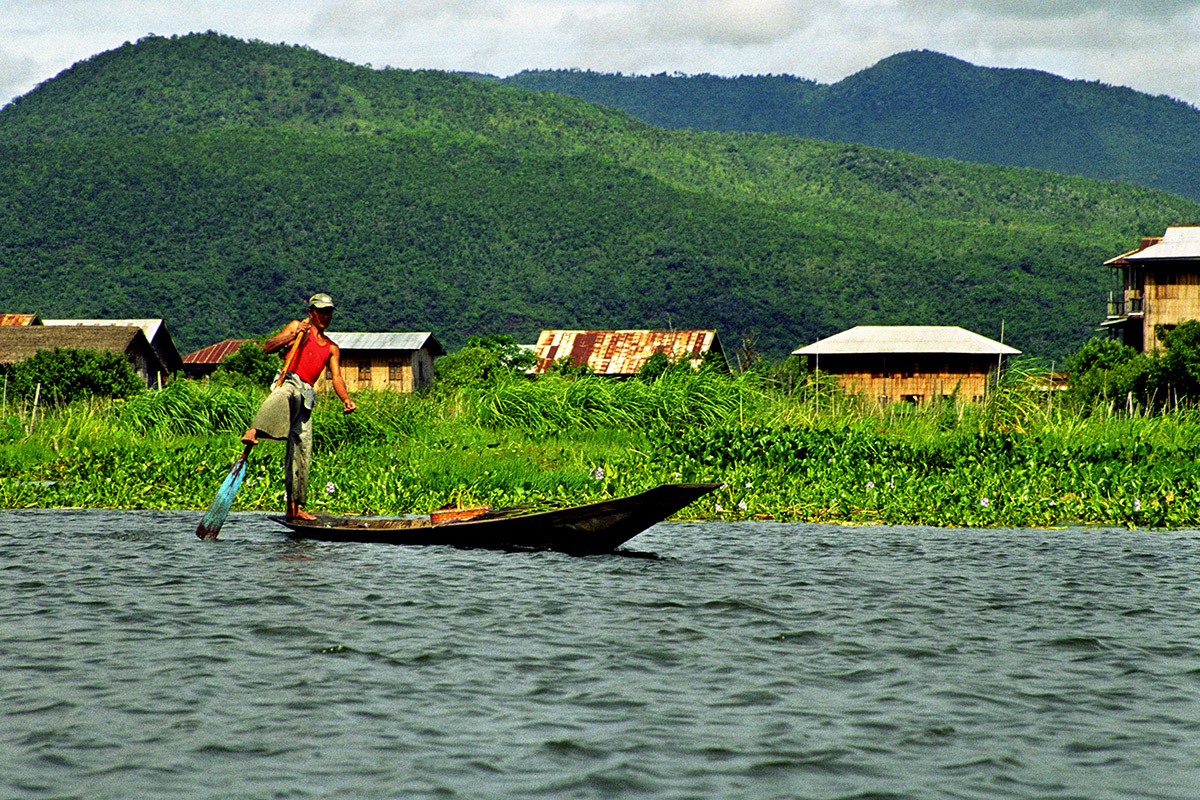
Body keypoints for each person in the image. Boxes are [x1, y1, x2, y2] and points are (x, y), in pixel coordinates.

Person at [242, 293, 356, 521]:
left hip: (307, 395)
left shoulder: (332, 347)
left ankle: (294, 506)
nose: (325, 316)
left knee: (302, 449)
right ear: (311, 313)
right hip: (290, 379)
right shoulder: (297, 327)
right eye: (320, 312)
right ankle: (254, 429)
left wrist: (345, 398)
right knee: (287, 392)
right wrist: (294, 336)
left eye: (328, 312)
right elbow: (268, 346)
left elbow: (337, 378)